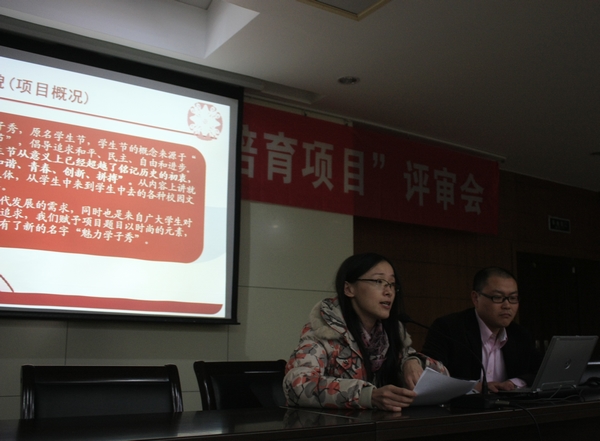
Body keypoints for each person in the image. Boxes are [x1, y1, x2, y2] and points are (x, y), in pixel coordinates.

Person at [283, 253, 448, 411]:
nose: (388, 291)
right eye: (378, 281)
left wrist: (412, 361)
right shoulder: (323, 333)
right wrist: (367, 395)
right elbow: (297, 385)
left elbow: (444, 376)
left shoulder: (389, 335)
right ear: (349, 289)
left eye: (392, 284)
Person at [421, 267, 542, 392]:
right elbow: (429, 376)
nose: (507, 305)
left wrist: (513, 383)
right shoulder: (448, 328)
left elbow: (540, 371)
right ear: (475, 298)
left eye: (513, 298)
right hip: (461, 404)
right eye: (497, 297)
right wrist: (475, 387)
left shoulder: (520, 335)